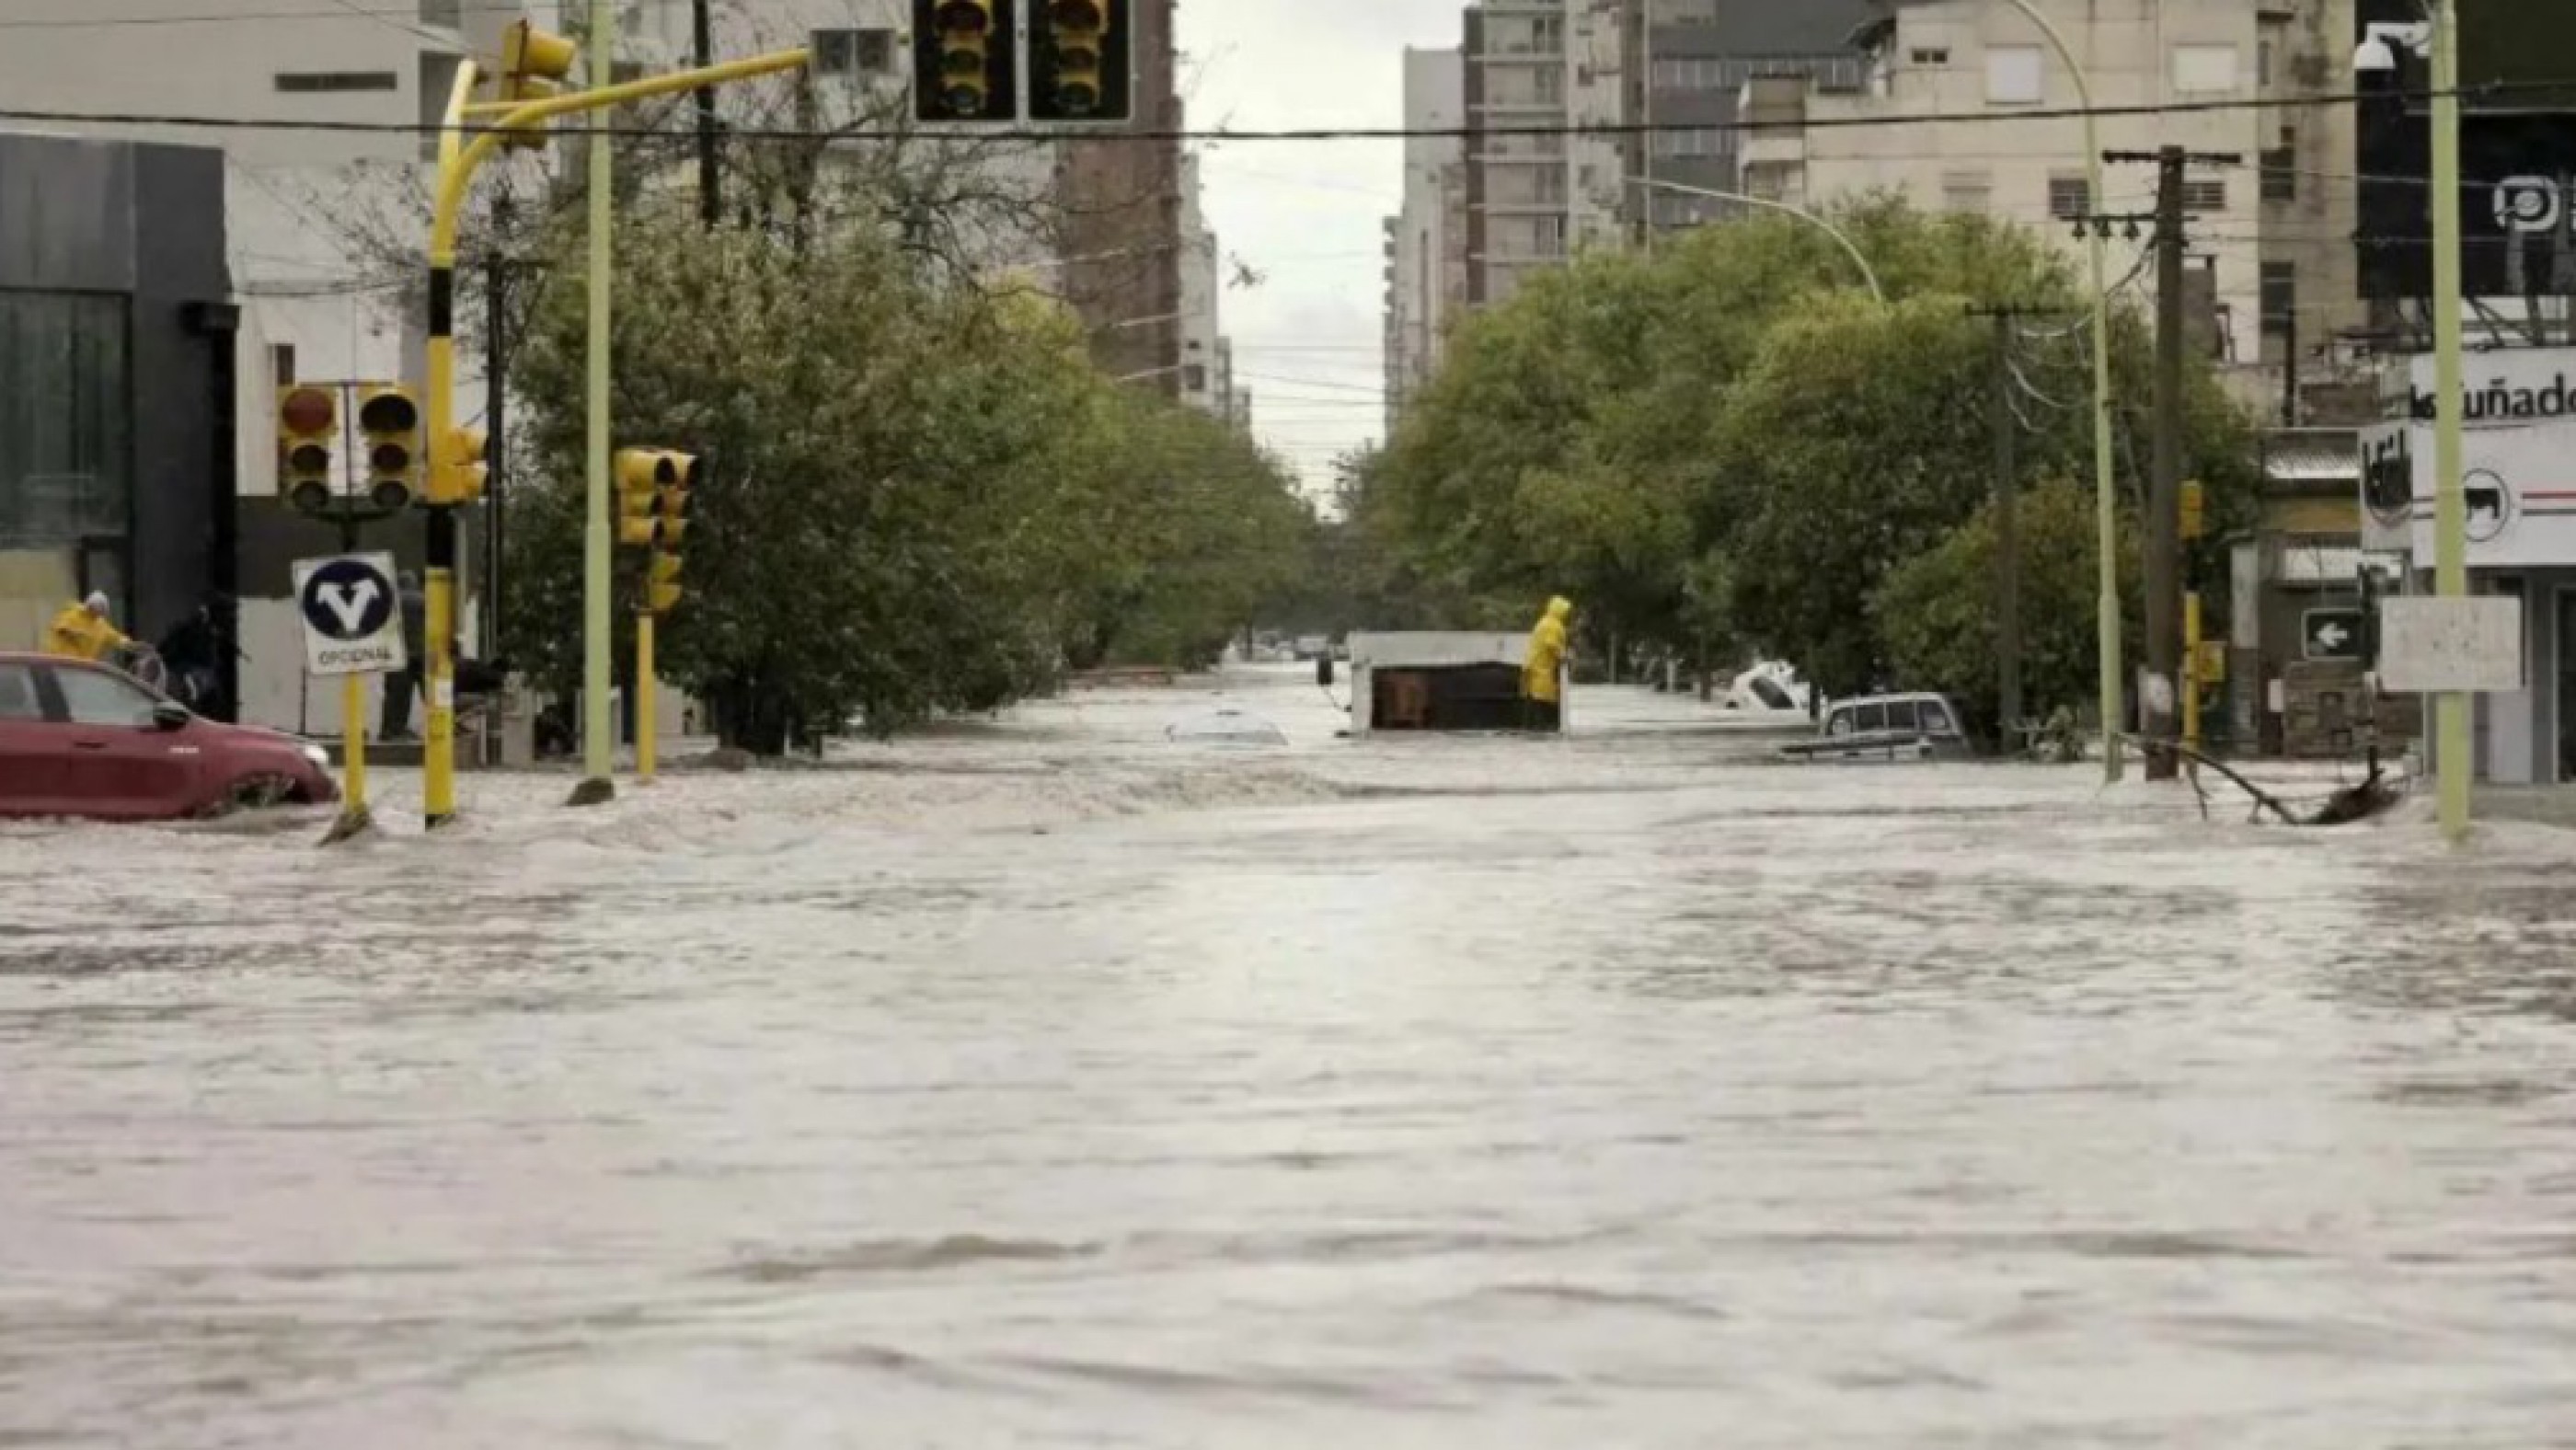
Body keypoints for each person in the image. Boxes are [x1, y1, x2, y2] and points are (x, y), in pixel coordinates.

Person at [379, 571, 427, 742]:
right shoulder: (423, 600)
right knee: (430, 694)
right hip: (420, 653)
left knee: (395, 694)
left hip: (396, 654)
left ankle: (390, 730)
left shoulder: (390, 602)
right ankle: (441, 729)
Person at [1522, 595, 1573, 732]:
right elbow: (1551, 643)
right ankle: (1540, 728)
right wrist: (1563, 656)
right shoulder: (1552, 625)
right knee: (1541, 697)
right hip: (1541, 667)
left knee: (1534, 696)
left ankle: (1530, 727)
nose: (1567, 614)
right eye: (1565, 611)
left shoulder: (1545, 621)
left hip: (1534, 665)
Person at [44, 592, 131, 663]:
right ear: (89, 606)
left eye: (101, 612)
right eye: (98, 611)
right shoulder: (73, 614)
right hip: (63, 662)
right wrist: (76, 633)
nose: (98, 615)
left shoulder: (100, 624)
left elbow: (114, 637)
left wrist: (126, 642)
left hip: (82, 665)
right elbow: (60, 628)